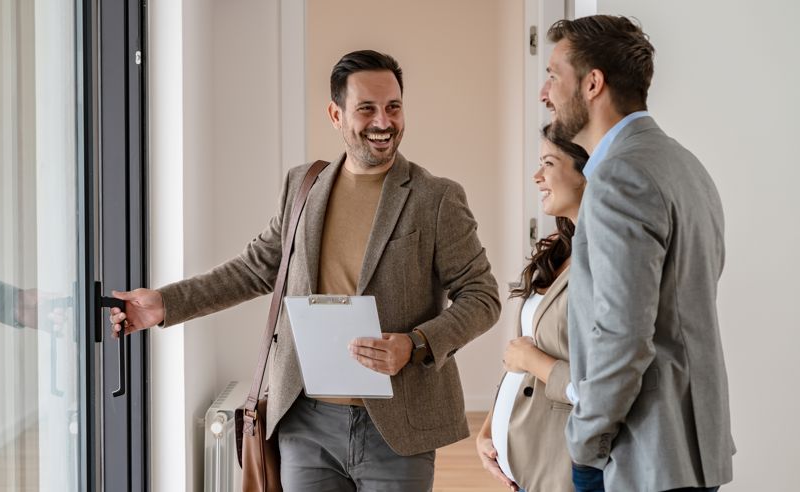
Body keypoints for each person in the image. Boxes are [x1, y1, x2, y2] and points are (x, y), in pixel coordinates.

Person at [108, 50, 502, 490]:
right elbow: (255, 269)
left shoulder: (436, 197)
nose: (384, 122)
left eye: (393, 107)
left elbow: (482, 295)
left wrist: (415, 344)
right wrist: (164, 303)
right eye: (366, 108)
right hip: (305, 421)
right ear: (335, 114)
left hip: (397, 425)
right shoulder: (303, 186)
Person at [540, 15, 734, 492]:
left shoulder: (618, 177)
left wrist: (585, 443)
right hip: (694, 447)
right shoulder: (684, 165)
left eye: (553, 76)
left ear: (592, 83)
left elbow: (622, 335)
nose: (545, 93)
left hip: (644, 455)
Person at [476, 125, 587, 492]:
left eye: (549, 163)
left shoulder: (604, 259)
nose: (537, 176)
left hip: (560, 466)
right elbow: (516, 356)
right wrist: (489, 429)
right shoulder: (559, 247)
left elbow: (600, 385)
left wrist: (530, 360)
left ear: (585, 173)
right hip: (521, 468)